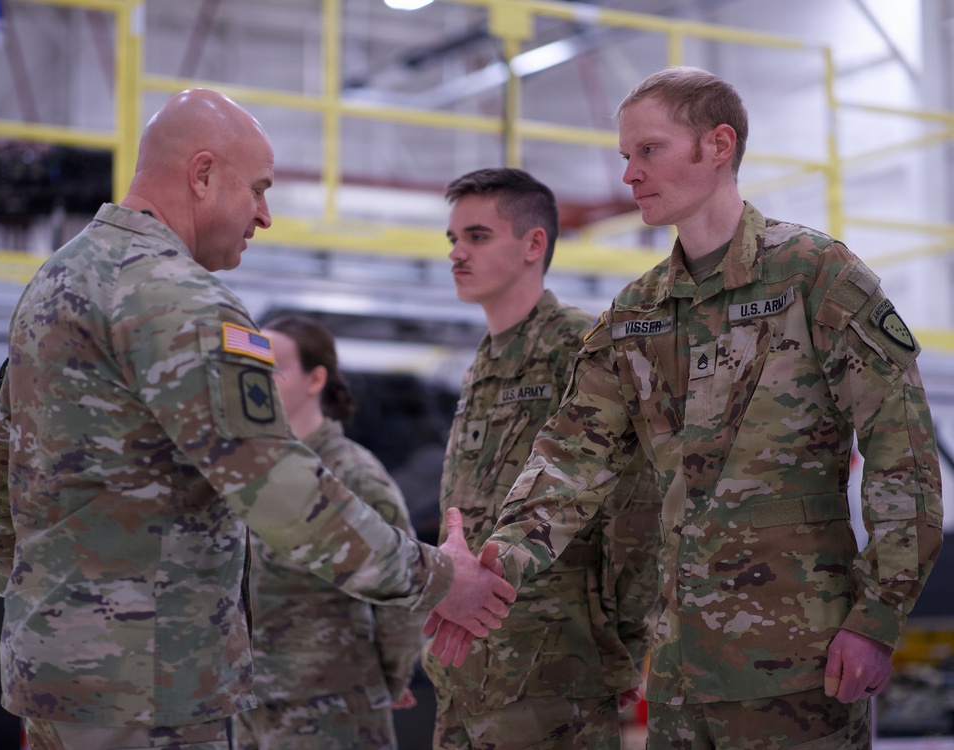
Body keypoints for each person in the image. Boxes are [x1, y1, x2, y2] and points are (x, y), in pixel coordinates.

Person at [0, 87, 515, 750]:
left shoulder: (57, 281)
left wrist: (46, 603)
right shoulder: (183, 301)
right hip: (152, 682)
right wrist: (438, 581)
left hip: (56, 672)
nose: (265, 215)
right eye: (257, 189)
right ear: (202, 175)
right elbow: (279, 490)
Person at [429, 67, 944, 749]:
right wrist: (494, 568)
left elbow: (900, 454)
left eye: (650, 150)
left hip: (799, 664)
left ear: (718, 144)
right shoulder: (637, 314)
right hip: (678, 670)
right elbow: (570, 460)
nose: (630, 175)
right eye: (625, 156)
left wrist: (877, 618)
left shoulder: (814, 276)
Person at [421, 167, 661, 749]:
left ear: (534, 244)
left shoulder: (579, 348)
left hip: (553, 671)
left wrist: (622, 643)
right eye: (452, 239)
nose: (457, 253)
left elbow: (638, 502)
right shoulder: (484, 362)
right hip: (468, 668)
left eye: (476, 237)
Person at [234, 314, 424, 750]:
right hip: (253, 703)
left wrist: (389, 680)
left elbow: (407, 585)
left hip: (331, 707)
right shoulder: (246, 470)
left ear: (315, 378)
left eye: (271, 368)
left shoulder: (351, 476)